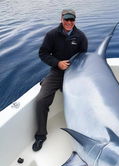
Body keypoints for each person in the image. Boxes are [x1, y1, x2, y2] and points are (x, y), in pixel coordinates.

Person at [32, 9, 88, 151]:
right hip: (56, 72)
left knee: (82, 99)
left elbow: (84, 58)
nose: (69, 22)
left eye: (72, 20)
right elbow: (43, 53)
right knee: (40, 101)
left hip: (74, 74)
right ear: (61, 19)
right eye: (66, 19)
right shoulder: (51, 35)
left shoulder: (81, 36)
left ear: (75, 20)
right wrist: (57, 63)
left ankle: (84, 132)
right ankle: (40, 136)